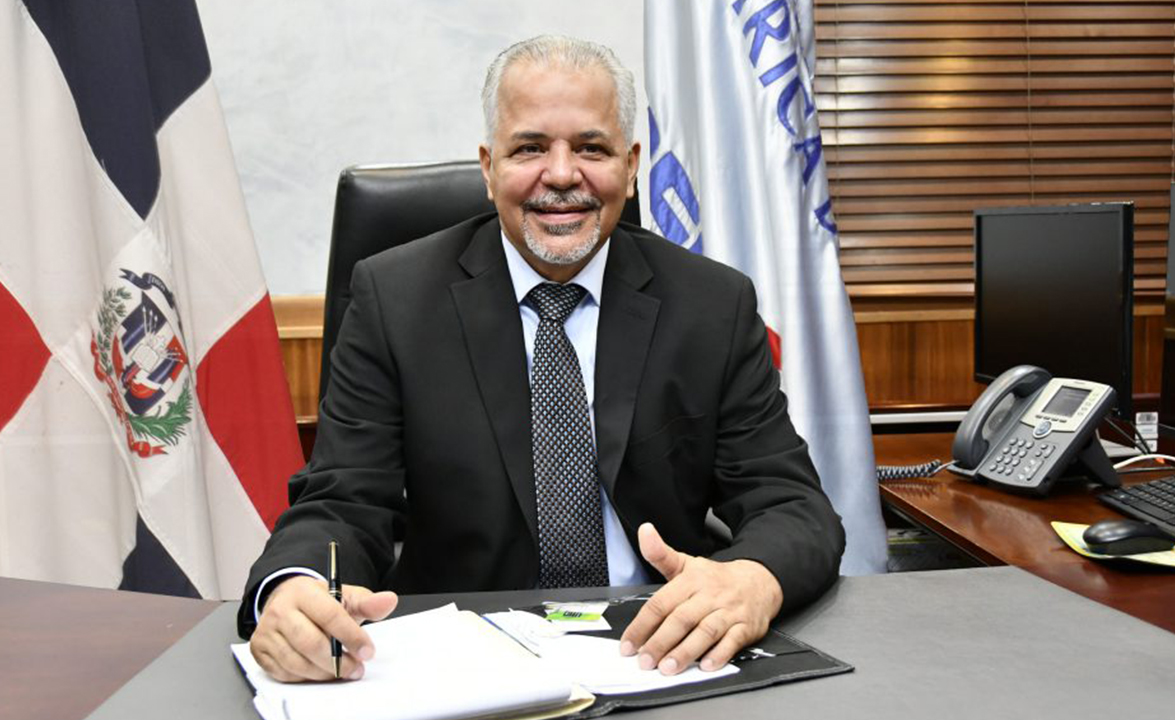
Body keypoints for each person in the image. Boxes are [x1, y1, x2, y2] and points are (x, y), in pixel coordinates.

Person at [241, 35, 845, 683]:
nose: (561, 175)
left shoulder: (711, 303)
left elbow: (789, 503)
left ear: (632, 164)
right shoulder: (395, 300)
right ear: (488, 165)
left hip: (659, 653)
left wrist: (751, 580)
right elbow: (343, 500)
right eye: (530, 147)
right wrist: (297, 587)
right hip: (460, 661)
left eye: (591, 147)